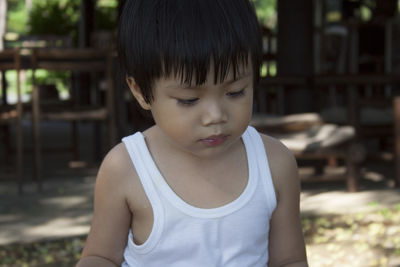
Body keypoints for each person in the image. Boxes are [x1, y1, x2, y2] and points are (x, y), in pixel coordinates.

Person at [76, 0, 308, 266]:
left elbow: (290, 260)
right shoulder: (126, 168)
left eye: (235, 92)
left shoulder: (274, 164)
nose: (215, 116)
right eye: (188, 99)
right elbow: (100, 256)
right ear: (140, 91)